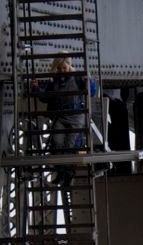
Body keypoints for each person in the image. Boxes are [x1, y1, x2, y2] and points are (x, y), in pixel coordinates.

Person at [36, 57, 98, 186]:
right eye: (59, 68)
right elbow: (46, 97)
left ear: (69, 66)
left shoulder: (77, 78)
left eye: (64, 68)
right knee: (56, 142)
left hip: (76, 116)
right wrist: (36, 89)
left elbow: (92, 92)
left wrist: (89, 81)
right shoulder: (55, 82)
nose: (62, 71)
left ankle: (67, 174)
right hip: (61, 115)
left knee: (71, 146)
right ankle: (61, 172)